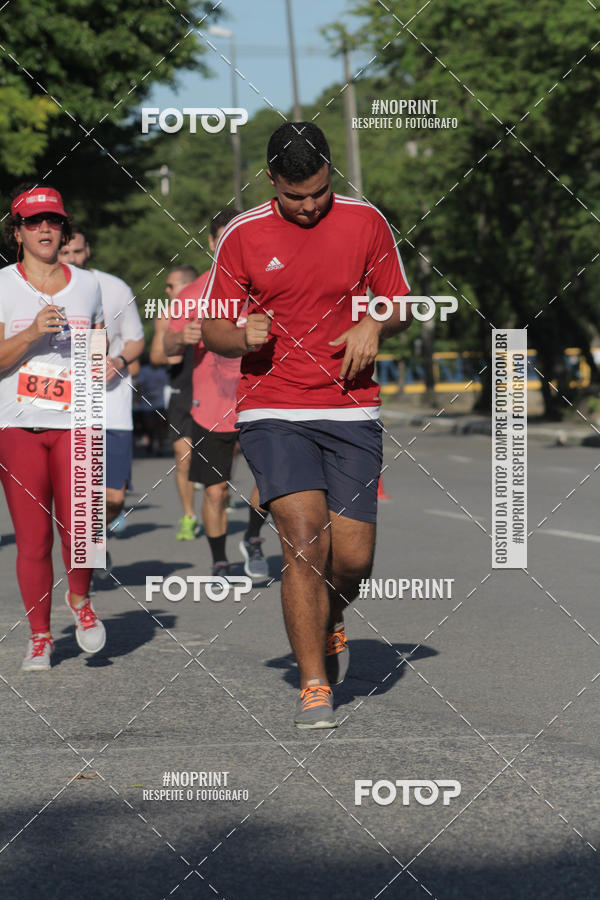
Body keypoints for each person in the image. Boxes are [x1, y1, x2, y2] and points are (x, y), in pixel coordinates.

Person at [201, 123, 412, 728]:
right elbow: (212, 325)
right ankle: (314, 684)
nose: (310, 206)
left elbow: (396, 300)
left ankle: (330, 614)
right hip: (273, 408)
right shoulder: (242, 235)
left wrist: (376, 324)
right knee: (302, 539)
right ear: (272, 181)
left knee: (352, 559)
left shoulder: (366, 221)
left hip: (350, 407)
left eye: (319, 192)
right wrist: (241, 336)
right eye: (296, 197)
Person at [0, 184, 106, 669]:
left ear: (64, 230)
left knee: (84, 529)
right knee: (33, 538)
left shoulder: (88, 284)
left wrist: (105, 363)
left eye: (54, 221)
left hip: (78, 422)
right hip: (18, 426)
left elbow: (98, 344)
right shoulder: (4, 285)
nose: (46, 228)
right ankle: (39, 636)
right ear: (17, 232)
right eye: (35, 221)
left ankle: (81, 601)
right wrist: (31, 332)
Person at [164, 210, 269, 580]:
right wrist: (181, 337)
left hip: (262, 399)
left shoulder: (267, 287)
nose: (229, 247)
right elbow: (165, 347)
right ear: (211, 243)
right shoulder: (193, 294)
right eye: (222, 239)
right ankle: (220, 560)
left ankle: (253, 538)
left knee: (272, 480)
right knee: (215, 493)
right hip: (211, 407)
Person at [59, 226, 144, 575]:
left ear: (88, 250)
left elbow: (136, 341)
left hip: (114, 407)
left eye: (77, 252)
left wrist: (119, 361)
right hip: (67, 411)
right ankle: (82, 565)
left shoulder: (114, 288)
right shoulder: (45, 292)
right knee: (75, 497)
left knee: (114, 498)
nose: (72, 260)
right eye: (65, 254)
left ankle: (97, 533)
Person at [150, 264, 199, 540]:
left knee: (222, 461)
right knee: (183, 459)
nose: (167, 291)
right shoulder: (166, 316)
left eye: (172, 286)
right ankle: (189, 516)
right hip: (182, 391)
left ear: (189, 286)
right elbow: (156, 357)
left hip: (214, 393)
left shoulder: (213, 309)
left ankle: (220, 495)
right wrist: (175, 348)